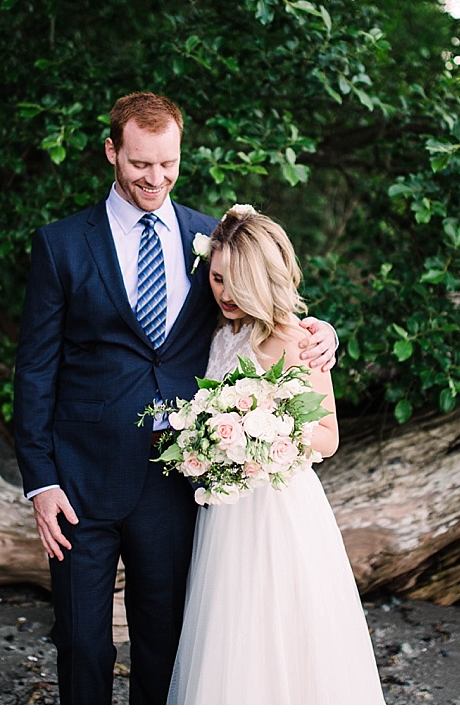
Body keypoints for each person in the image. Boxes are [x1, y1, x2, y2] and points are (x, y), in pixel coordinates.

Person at [12, 92, 337, 705]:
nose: (155, 178)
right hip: (80, 480)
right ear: (112, 152)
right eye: (140, 164)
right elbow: (33, 370)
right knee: (82, 642)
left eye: (168, 164)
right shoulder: (61, 245)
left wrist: (324, 333)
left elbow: (260, 311)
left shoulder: (207, 238)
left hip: (176, 480)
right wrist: (40, 481)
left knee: (166, 641)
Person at [166, 205, 384, 704]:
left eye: (233, 281)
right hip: (226, 511)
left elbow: (328, 436)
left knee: (283, 628)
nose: (222, 292)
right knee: (228, 629)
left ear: (262, 280)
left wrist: (263, 435)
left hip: (281, 509)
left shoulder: (297, 340)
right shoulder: (221, 333)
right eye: (216, 278)